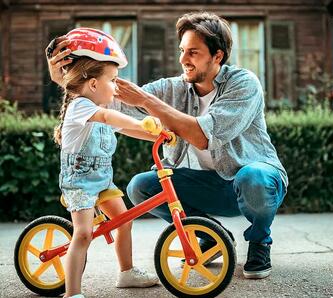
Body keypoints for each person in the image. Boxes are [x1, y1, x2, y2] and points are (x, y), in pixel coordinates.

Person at [47, 12, 288, 280]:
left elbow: (202, 135)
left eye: (193, 52)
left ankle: (260, 241)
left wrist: (148, 102)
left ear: (217, 56)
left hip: (248, 183)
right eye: (182, 50)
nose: (183, 60)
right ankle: (208, 233)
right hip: (205, 184)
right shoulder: (171, 88)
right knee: (141, 187)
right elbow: (102, 101)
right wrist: (68, 81)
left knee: (253, 177)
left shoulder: (244, 84)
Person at [48, 28, 159, 298]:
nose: (117, 85)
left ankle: (126, 272)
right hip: (80, 185)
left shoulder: (99, 107)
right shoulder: (81, 106)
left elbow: (126, 129)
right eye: (113, 79)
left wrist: (158, 134)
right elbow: (110, 119)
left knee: (123, 221)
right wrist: (140, 120)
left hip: (102, 182)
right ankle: (72, 293)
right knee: (83, 234)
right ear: (94, 84)